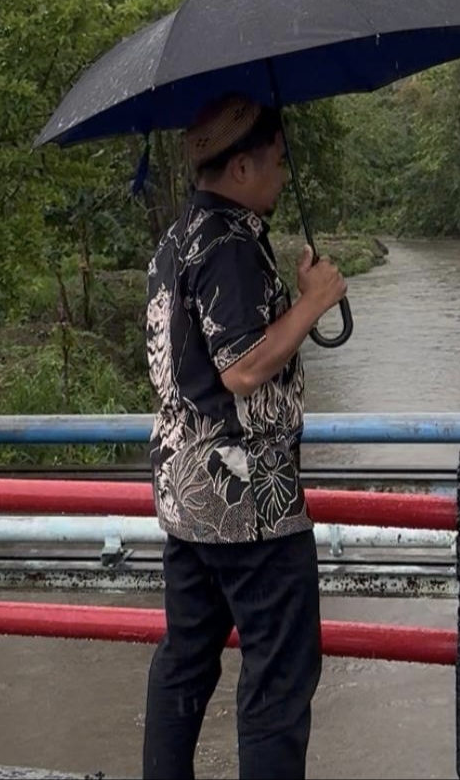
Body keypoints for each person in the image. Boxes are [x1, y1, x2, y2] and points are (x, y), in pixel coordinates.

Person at [142, 92, 348, 780]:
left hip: (186, 494)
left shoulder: (177, 240)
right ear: (239, 166)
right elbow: (241, 369)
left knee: (186, 660)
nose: (285, 176)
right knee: (279, 677)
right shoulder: (228, 244)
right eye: (278, 162)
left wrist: (292, 300)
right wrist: (315, 303)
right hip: (248, 501)